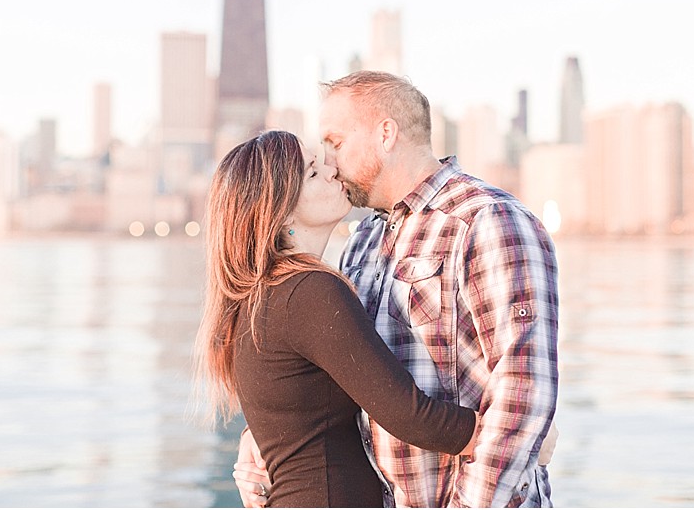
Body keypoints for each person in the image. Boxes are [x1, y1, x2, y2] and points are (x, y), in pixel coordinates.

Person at [236, 72, 559, 508]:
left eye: (335, 142)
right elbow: (344, 371)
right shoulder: (364, 240)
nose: (329, 162)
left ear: (385, 134)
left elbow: (521, 391)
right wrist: (263, 435)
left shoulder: (487, 222)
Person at [196, 129, 481, 508]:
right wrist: (516, 437)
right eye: (313, 172)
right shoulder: (310, 292)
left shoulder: (263, 295)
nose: (332, 170)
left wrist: (251, 438)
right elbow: (411, 416)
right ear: (281, 213)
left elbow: (295, 414)